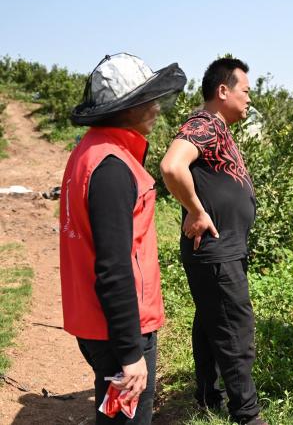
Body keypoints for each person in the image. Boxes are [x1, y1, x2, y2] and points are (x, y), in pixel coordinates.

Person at [60, 53, 186, 424]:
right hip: (119, 331)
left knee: (114, 414)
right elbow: (114, 267)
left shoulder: (90, 152)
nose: (156, 108)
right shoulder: (113, 167)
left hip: (98, 323)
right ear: (125, 108)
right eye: (147, 101)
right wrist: (131, 353)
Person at [160, 58, 266, 425]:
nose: (249, 98)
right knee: (236, 330)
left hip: (221, 250)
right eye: (245, 91)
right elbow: (171, 166)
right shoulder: (203, 124)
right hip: (217, 251)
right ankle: (247, 415)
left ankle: (208, 397)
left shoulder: (216, 127)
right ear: (223, 91)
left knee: (211, 323)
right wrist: (196, 210)